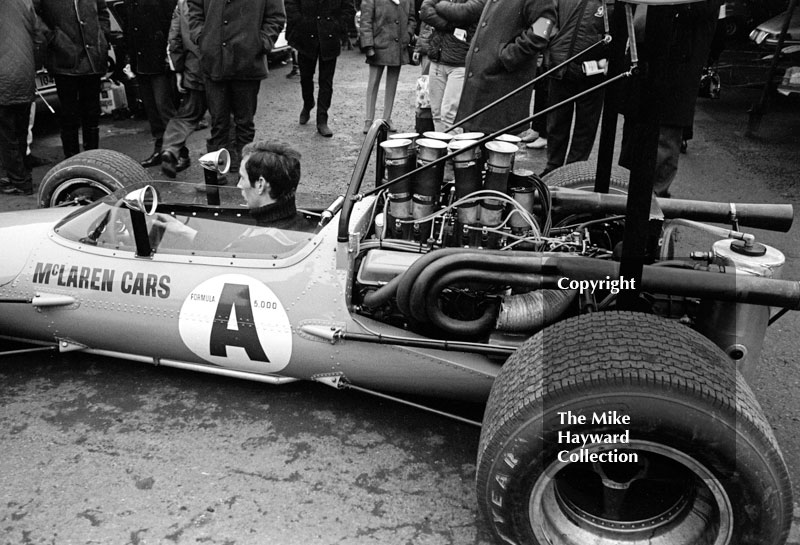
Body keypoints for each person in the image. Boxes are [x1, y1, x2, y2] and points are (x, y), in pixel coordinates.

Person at [618, 0, 720, 198]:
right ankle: (622, 198)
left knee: (662, 147)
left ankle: (652, 210)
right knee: (632, 142)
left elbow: (696, 11)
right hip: (643, 71)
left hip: (674, 78)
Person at [187, 0, 286, 184]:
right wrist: (202, 37)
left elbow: (276, 17)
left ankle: (246, 173)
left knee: (245, 122)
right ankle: (217, 172)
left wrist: (261, 42)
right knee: (218, 122)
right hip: (214, 59)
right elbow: (194, 10)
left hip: (247, 61)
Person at [155, 140, 309, 254]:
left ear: (260, 185)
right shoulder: (302, 223)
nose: (239, 185)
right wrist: (184, 231)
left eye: (242, 178)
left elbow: (232, 252)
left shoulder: (251, 249)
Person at [445, 0, 556, 135]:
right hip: (482, 80)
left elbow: (541, 30)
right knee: (474, 142)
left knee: (496, 147)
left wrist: (507, 56)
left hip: (502, 83)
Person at [34, 0, 111, 159]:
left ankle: (93, 158)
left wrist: (102, 35)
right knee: (69, 114)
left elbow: (103, 12)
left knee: (92, 112)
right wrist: (53, 38)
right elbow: (34, 16)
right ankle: (72, 160)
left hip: (92, 58)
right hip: (64, 58)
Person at [542, 0, 608, 175]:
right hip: (561, 66)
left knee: (585, 128)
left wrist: (606, 63)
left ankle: (573, 173)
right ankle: (553, 168)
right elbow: (547, 16)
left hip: (593, 73)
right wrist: (549, 44)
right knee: (556, 123)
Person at [125, 0, 180, 168]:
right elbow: (129, 29)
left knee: (164, 108)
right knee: (152, 110)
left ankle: (178, 152)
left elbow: (172, 25)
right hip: (141, 60)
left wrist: (170, 55)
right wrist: (129, 59)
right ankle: (160, 150)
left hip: (159, 59)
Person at [285, 0, 352, 137]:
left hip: (329, 37)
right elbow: (291, 4)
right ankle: (308, 103)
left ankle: (322, 120)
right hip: (305, 37)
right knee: (306, 77)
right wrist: (300, 23)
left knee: (326, 81)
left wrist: (337, 25)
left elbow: (349, 8)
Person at [419, 0, 483, 133]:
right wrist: (449, 25)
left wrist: (439, 5)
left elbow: (463, 13)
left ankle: (454, 151)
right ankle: (441, 150)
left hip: (459, 63)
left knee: (450, 114)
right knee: (436, 113)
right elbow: (425, 10)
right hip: (437, 58)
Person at [0, 0, 41, 195]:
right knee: (20, 131)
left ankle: (19, 182)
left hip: (3, 79)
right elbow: (38, 33)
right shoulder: (25, 2)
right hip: (24, 75)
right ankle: (23, 173)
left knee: (6, 135)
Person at [358, 0, 417, 134]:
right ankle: (369, 119)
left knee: (392, 83)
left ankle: (387, 118)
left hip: (398, 46)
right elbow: (365, 20)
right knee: (373, 83)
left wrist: (407, 34)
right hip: (378, 45)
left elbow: (412, 19)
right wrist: (368, 44)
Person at [161, 0, 204, 177]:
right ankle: (225, 162)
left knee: (187, 114)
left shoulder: (182, 3)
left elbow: (174, 38)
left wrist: (179, 71)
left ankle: (171, 149)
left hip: (194, 68)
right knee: (224, 118)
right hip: (221, 68)